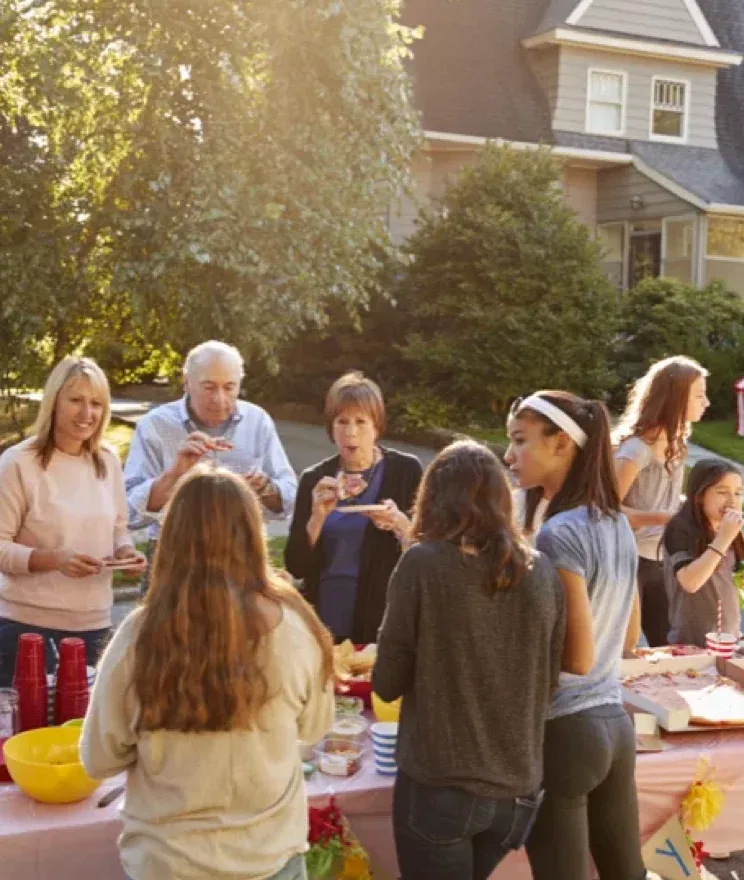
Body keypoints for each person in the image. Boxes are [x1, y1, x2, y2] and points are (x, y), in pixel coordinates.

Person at [81, 467, 334, 880]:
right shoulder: (296, 626)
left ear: (173, 539)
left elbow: (99, 758)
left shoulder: (139, 635)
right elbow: (315, 728)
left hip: (169, 861)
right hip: (268, 857)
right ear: (254, 535)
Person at [373, 440, 566, 880]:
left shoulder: (423, 564)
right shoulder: (543, 571)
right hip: (517, 790)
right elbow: (547, 683)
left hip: (442, 785)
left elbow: (386, 680)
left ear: (432, 499)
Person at [506, 391, 645, 880]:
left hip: (567, 731)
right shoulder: (617, 525)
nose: (509, 456)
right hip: (615, 727)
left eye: (521, 441)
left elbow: (578, 659)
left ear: (562, 442)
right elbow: (629, 638)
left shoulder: (558, 533)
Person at [0, 357, 146, 687]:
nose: (86, 414)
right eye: (76, 400)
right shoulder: (17, 463)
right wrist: (55, 560)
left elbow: (118, 528)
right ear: (54, 401)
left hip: (93, 628)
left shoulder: (107, 461)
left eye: (96, 403)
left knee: (81, 735)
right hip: (25, 630)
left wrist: (125, 553)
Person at [124, 340, 297, 584]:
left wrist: (265, 488)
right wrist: (175, 474)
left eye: (229, 387)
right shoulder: (155, 425)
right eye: (209, 387)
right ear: (186, 382)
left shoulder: (257, 421)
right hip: (175, 554)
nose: (219, 399)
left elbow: (290, 499)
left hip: (242, 552)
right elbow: (129, 512)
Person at [285, 372, 422, 643]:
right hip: (323, 617)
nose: (351, 432)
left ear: (377, 426)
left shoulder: (405, 471)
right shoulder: (315, 479)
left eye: (361, 421)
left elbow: (427, 552)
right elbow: (296, 566)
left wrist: (399, 524)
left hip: (382, 619)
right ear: (330, 427)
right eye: (342, 421)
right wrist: (317, 518)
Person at [614, 356, 709, 646]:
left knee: (669, 643)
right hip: (629, 560)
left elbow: (663, 499)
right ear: (675, 399)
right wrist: (663, 517)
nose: (706, 402)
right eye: (699, 395)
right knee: (623, 647)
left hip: (662, 557)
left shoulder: (677, 444)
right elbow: (606, 509)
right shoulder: (635, 451)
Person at [663, 459, 744, 646]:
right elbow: (690, 582)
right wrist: (723, 539)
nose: (732, 501)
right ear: (699, 495)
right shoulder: (680, 529)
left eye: (738, 493)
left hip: (728, 638)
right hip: (691, 642)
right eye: (722, 492)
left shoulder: (733, 531)